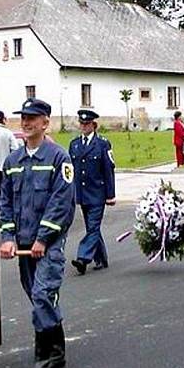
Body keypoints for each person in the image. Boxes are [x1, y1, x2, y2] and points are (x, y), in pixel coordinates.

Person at [0, 98, 75, 368]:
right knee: (37, 296)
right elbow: (4, 202)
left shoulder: (58, 158)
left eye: (33, 118)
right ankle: (57, 351)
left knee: (43, 295)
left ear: (46, 123)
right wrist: (7, 238)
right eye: (23, 118)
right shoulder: (12, 162)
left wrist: (44, 238)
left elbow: (61, 203)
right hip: (22, 245)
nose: (26, 122)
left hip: (49, 244)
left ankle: (42, 360)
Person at [69, 109, 115, 275]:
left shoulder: (102, 143)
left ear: (94, 125)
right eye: (81, 123)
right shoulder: (74, 144)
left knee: (93, 226)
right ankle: (101, 258)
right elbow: (71, 171)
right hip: (82, 192)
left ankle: (83, 258)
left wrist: (110, 195)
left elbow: (108, 169)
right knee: (91, 228)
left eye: (87, 124)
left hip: (98, 193)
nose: (83, 126)